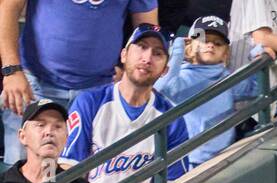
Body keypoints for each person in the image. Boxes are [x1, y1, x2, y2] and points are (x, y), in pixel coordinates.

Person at [0, 0, 160, 168]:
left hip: (98, 92)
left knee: (85, 180)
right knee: (25, 178)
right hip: (35, 85)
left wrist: (127, 68)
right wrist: (12, 70)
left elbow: (147, 30)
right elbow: (8, 7)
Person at [61, 25, 190, 183]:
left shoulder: (171, 118)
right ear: (123, 55)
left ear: (165, 70)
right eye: (141, 47)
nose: (147, 58)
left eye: (158, 53)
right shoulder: (90, 103)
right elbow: (68, 167)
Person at [156, 16, 258, 165]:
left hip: (222, 158)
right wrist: (178, 48)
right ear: (189, 46)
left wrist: (257, 54)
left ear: (225, 53)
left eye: (218, 43)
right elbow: (163, 87)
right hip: (185, 161)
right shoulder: (182, 76)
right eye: (204, 40)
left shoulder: (226, 78)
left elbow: (255, 89)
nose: (210, 45)